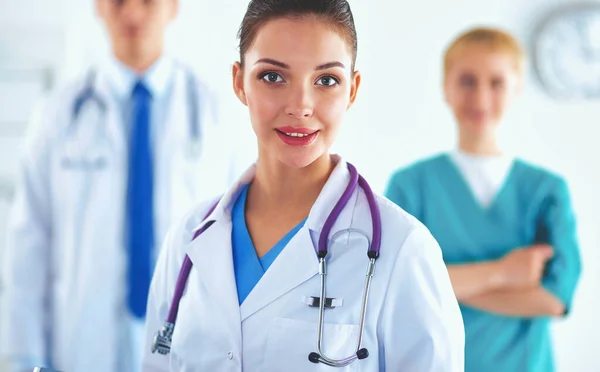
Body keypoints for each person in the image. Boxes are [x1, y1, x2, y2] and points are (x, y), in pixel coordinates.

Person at [142, 1, 465, 371]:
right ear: (239, 82)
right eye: (273, 77)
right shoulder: (189, 238)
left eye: (326, 80)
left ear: (352, 90)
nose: (301, 106)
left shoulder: (403, 249)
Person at [0, 1, 238, 371]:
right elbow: (29, 248)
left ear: (173, 6)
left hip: (186, 339)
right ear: (99, 6)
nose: (132, 13)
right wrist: (25, 358)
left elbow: (235, 244)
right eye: (119, 1)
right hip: (81, 342)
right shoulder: (57, 115)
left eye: (146, 1)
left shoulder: (214, 115)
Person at [385, 27, 582, 372]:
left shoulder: (546, 191)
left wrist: (441, 283)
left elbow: (554, 298)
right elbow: (395, 286)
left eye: (496, 82)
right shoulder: (410, 186)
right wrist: (504, 272)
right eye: (466, 81)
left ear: (517, 87)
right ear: (445, 87)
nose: (480, 97)